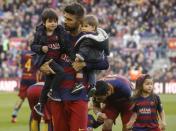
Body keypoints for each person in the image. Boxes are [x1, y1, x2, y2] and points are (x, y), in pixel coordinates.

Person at [40, 3, 109, 131]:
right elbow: (39, 54)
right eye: (65, 18)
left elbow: (105, 63)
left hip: (79, 96)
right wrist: (41, 65)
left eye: (69, 20)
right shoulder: (57, 36)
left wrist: (85, 64)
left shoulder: (91, 39)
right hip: (57, 95)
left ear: (80, 22)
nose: (65, 22)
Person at [31, 8, 66, 116]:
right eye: (50, 21)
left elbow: (64, 43)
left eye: (55, 21)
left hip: (56, 60)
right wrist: (41, 48)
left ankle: (40, 104)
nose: (53, 24)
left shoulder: (59, 31)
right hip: (47, 60)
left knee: (47, 84)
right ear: (44, 22)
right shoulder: (40, 33)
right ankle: (53, 92)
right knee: (61, 72)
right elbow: (33, 46)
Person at [71, 14, 109, 94]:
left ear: (93, 27)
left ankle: (79, 83)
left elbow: (105, 64)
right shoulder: (99, 37)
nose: (82, 28)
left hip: (87, 60)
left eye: (85, 26)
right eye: (82, 26)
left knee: (80, 66)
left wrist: (85, 63)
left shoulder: (87, 38)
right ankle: (92, 86)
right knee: (92, 71)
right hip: (96, 59)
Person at [11, 48, 38, 123]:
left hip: (24, 77)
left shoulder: (23, 53)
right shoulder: (37, 53)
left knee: (21, 97)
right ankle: (38, 116)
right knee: (36, 98)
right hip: (33, 78)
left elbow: (19, 64)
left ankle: (14, 115)